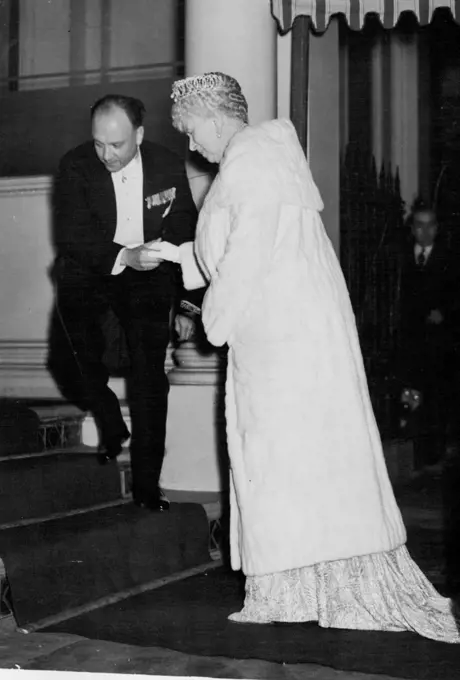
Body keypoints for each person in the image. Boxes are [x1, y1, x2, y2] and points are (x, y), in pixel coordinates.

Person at [149, 72, 460, 642]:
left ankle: (325, 588)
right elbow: (240, 243)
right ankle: (301, 589)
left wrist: (211, 320)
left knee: (289, 460)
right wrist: (172, 254)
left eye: (192, 132)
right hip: (289, 336)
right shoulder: (263, 159)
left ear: (216, 119)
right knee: (296, 463)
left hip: (281, 343)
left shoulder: (251, 163)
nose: (192, 145)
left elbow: (241, 260)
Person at [49, 94, 199, 512]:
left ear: (139, 135)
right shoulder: (75, 164)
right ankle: (107, 416)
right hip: (89, 271)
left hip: (147, 276)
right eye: (99, 143)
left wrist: (188, 302)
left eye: (116, 145)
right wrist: (123, 256)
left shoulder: (167, 164)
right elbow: (72, 236)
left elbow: (186, 226)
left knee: (150, 378)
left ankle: (148, 488)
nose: (106, 155)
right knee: (72, 363)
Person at [398, 207, 455, 470]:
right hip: (411, 341)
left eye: (430, 225)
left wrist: (444, 312)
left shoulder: (448, 259)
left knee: (436, 397)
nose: (425, 230)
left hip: (438, 344)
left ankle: (435, 450)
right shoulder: (403, 258)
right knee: (412, 395)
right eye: (419, 225)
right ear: (412, 229)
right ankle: (415, 447)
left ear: (437, 228)